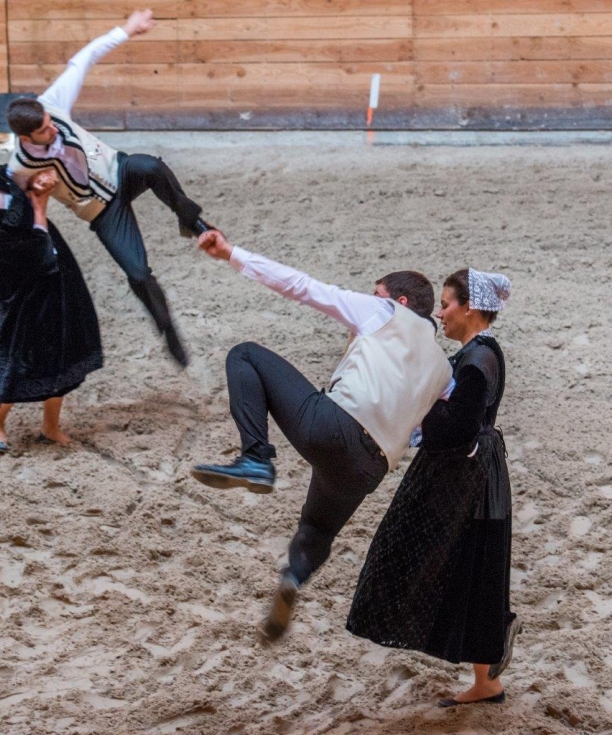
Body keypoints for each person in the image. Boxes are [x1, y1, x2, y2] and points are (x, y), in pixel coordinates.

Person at [190, 229, 453, 642]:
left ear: (398, 301)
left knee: (245, 355)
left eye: (377, 291)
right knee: (316, 531)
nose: (371, 296)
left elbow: (304, 287)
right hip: (371, 467)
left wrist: (232, 254)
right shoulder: (443, 369)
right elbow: (425, 431)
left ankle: (256, 457)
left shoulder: (382, 312)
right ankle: (293, 578)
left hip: (335, 428)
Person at [346, 268, 518, 708]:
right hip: (469, 473)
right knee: (473, 566)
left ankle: (492, 658)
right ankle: (488, 672)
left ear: (470, 308)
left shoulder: (478, 361)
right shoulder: (477, 354)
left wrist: (417, 412)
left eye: (446, 304)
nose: (440, 313)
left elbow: (459, 429)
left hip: (465, 477)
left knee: (461, 563)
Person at [6, 9, 214, 368]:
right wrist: (37, 190)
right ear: (26, 138)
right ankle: (168, 329)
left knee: (151, 165)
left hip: (119, 171)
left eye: (48, 123)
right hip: (101, 212)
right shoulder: (19, 168)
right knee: (137, 273)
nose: (52, 128)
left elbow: (82, 60)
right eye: (43, 130)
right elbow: (28, 208)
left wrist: (127, 30)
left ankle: (191, 221)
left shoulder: (50, 107)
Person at [0, 157, 103, 452]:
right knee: (18, 355)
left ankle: (51, 426)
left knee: (61, 349)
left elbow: (24, 173)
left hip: (58, 275)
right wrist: (39, 206)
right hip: (22, 293)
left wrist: (37, 182)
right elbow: (37, 255)